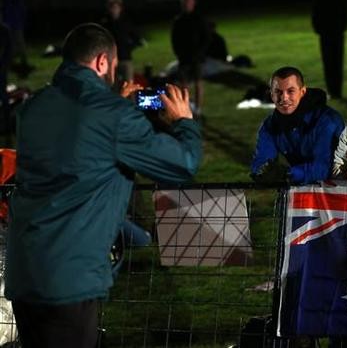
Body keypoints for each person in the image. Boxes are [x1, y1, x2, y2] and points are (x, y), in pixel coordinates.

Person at [4, 23, 201, 348]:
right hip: (69, 277)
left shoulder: (33, 108)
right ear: (102, 63)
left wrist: (117, 107)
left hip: (24, 271)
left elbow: (78, 146)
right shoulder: (111, 116)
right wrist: (184, 122)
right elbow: (183, 164)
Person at [251, 66, 344, 185]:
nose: (284, 98)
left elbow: (325, 167)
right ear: (271, 94)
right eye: (278, 92)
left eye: (290, 91)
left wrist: (288, 174)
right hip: (301, 190)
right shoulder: (269, 126)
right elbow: (261, 160)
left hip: (339, 191)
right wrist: (262, 173)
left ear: (302, 92)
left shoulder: (327, 121)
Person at [171, 0, 212, 116]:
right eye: (184, 3)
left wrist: (200, 53)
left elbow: (207, 37)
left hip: (197, 58)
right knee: (184, 85)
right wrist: (179, 53)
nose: (186, 5)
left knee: (198, 82)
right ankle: (186, 107)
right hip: (184, 58)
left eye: (188, 2)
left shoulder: (199, 19)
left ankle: (198, 108)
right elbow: (174, 40)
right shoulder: (178, 20)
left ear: (193, 3)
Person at [311, 0, 347, 99]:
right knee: (336, 62)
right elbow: (345, 12)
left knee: (329, 62)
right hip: (336, 31)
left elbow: (316, 13)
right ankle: (336, 90)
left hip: (327, 32)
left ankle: (333, 90)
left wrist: (318, 28)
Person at [100, 0, 144, 83]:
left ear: (120, 8)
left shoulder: (126, 22)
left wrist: (129, 47)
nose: (114, 10)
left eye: (116, 8)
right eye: (112, 8)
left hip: (125, 58)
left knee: (128, 82)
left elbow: (136, 37)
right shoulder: (106, 23)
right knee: (112, 83)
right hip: (111, 59)